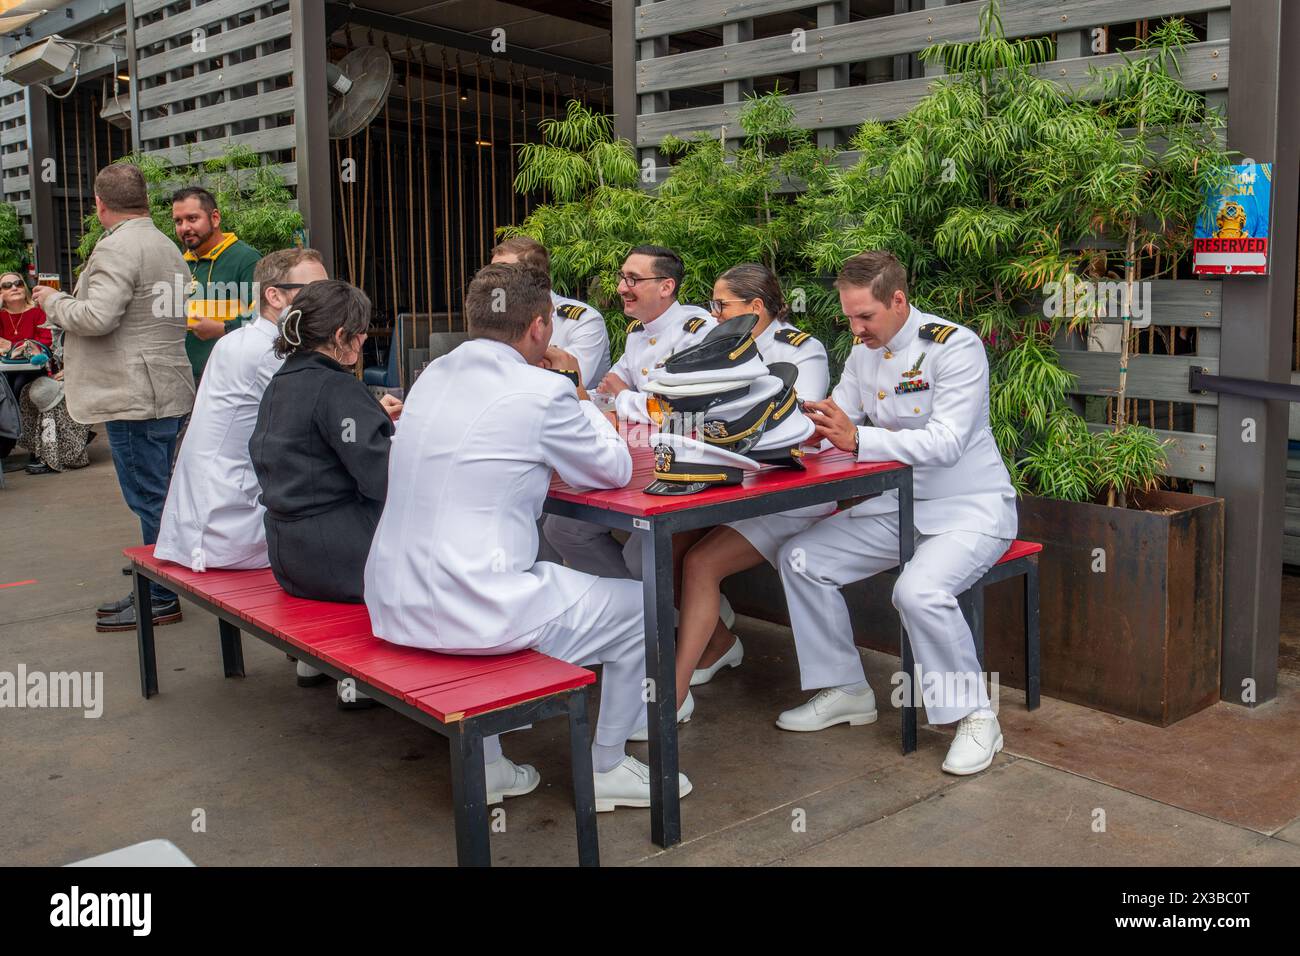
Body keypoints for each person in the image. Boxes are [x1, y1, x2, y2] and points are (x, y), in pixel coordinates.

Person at [364, 262, 693, 811]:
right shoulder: (544, 391)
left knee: (534, 565)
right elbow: (610, 469)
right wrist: (571, 386)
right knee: (643, 604)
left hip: (392, 598)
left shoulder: (432, 376)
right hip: (471, 609)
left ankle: (491, 765)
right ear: (541, 327)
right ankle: (607, 764)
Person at [775, 250, 1018, 776]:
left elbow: (948, 441)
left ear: (899, 300)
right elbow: (836, 419)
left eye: (865, 316)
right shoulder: (864, 352)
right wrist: (789, 436)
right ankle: (845, 687)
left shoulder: (955, 348)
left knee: (917, 591)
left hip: (968, 508)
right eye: (849, 317)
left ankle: (977, 717)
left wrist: (858, 438)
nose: (856, 328)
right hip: (898, 506)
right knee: (800, 557)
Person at [33, 163, 195, 634]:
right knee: (162, 494)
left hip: (133, 396)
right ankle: (165, 570)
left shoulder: (117, 247)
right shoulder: (165, 245)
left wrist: (51, 302)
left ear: (100, 205)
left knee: (149, 498)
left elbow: (98, 317)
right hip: (167, 388)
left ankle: (163, 595)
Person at [671, 263, 833, 715]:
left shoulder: (801, 351)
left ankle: (674, 691)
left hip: (789, 491)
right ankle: (717, 645)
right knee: (668, 548)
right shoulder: (720, 346)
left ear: (756, 307)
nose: (714, 314)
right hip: (734, 484)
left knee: (701, 564)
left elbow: (792, 426)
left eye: (721, 305)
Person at [249, 279, 401, 703]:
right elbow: (383, 479)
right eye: (360, 331)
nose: (365, 338)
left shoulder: (279, 383)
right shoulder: (337, 388)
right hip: (341, 560)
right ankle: (365, 677)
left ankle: (312, 659)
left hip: (287, 553)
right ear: (340, 337)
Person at [543, 244, 714, 578]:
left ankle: (698, 624)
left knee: (643, 554)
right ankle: (635, 613)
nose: (622, 288)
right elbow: (608, 389)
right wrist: (598, 397)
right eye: (622, 277)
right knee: (561, 529)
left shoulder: (698, 330)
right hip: (638, 460)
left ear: (667, 287)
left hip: (685, 466)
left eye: (633, 279)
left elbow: (675, 410)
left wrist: (622, 396)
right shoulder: (639, 332)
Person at [155, 247, 327, 572]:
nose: (327, 299)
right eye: (315, 291)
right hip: (228, 524)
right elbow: (321, 421)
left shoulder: (244, 339)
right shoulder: (271, 353)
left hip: (205, 512)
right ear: (274, 296)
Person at [489, 236, 610, 390]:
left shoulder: (584, 320)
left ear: (535, 277)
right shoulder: (497, 314)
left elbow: (568, 384)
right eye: (491, 272)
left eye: (503, 272)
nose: (492, 280)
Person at [172, 186, 263, 386]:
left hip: (230, 379)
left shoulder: (246, 259)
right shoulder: (179, 262)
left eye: (192, 218)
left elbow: (265, 317)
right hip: (183, 379)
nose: (184, 227)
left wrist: (222, 329)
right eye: (178, 221)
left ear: (215, 218)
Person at [0, 272, 53, 463]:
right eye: (7, 286)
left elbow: (46, 340)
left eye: (18, 283)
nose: (14, 287)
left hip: (33, 368)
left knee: (18, 386)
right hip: (6, 371)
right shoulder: (1, 316)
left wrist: (16, 346)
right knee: (5, 384)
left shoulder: (37, 312)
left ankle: (13, 438)